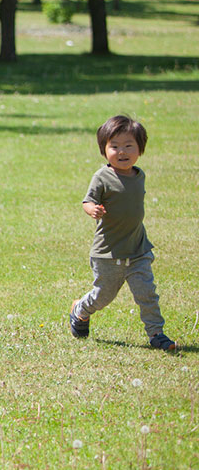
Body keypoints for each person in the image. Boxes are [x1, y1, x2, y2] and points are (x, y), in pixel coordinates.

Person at [69, 116, 178, 351]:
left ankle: (157, 334)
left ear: (140, 149)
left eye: (129, 145)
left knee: (147, 294)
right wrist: (92, 210)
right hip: (108, 254)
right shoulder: (102, 177)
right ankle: (80, 310)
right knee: (102, 297)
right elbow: (87, 201)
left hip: (138, 250)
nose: (122, 151)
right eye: (114, 146)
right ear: (104, 150)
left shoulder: (140, 175)